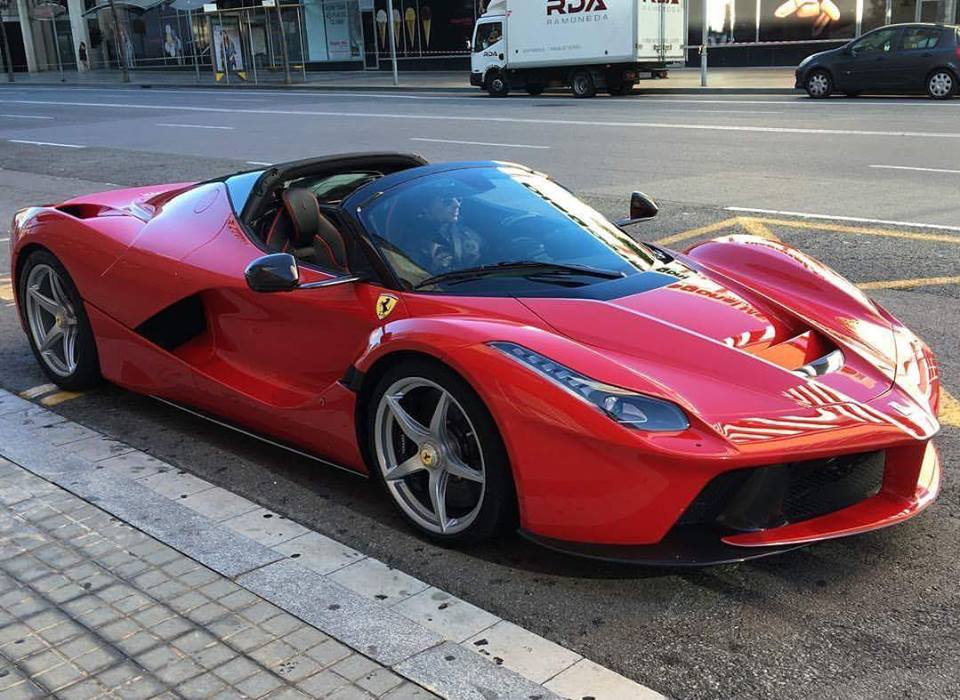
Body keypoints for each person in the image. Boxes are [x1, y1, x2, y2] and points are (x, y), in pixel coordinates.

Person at [405, 185, 482, 275]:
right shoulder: (416, 242)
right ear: (425, 208)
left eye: (458, 199)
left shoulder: (461, 229)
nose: (457, 205)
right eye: (447, 201)